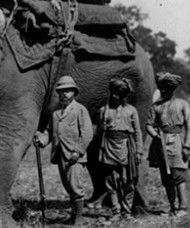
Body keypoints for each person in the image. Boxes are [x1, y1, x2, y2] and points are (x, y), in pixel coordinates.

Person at [34, 75, 93, 225]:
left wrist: (78, 151)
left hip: (75, 156)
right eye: (61, 91)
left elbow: (87, 133)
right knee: (68, 186)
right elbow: (49, 132)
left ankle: (79, 218)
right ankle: (74, 215)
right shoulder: (55, 113)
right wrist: (42, 140)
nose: (64, 94)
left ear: (74, 92)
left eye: (67, 91)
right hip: (60, 155)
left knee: (75, 187)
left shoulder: (80, 110)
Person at [146, 72, 190, 216]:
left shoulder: (182, 104)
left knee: (178, 174)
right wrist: (155, 136)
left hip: (178, 143)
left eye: (168, 88)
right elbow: (148, 124)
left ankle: (183, 207)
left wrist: (186, 145)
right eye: (162, 88)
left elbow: (189, 125)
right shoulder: (156, 106)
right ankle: (172, 207)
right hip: (161, 144)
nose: (164, 91)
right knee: (166, 177)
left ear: (173, 89)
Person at [96, 78, 143, 217]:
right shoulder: (103, 110)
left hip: (126, 148)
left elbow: (138, 132)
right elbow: (98, 132)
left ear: (124, 96)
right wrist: (101, 127)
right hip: (109, 148)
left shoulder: (131, 111)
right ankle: (116, 210)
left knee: (127, 181)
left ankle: (126, 210)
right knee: (110, 181)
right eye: (113, 93)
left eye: (118, 94)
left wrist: (139, 151)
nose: (115, 96)